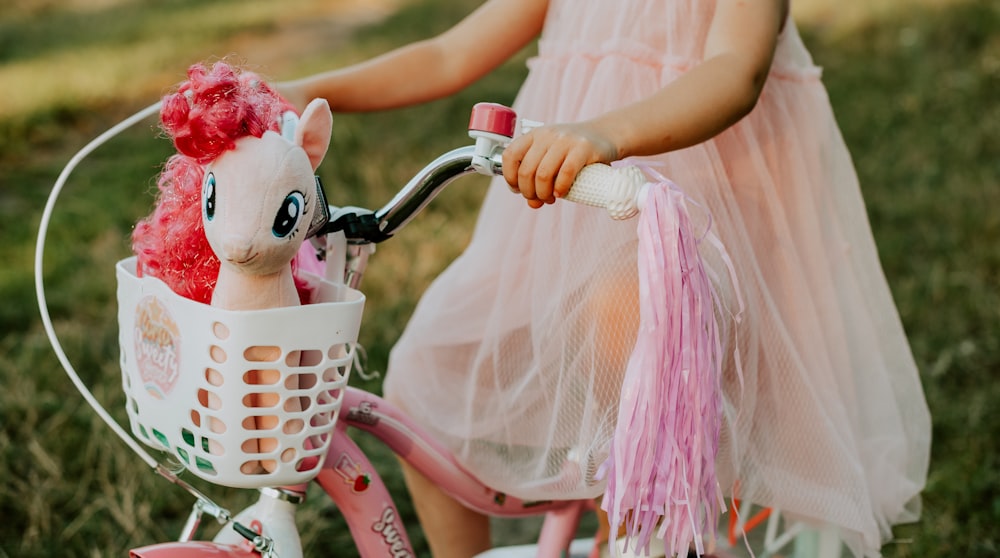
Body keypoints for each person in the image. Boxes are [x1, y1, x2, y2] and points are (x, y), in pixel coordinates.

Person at [278, 0, 931, 556]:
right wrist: (307, 91)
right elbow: (449, 54)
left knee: (625, 321)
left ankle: (639, 538)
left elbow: (736, 70)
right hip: (566, 223)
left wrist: (602, 133)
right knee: (426, 369)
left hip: (698, 220)